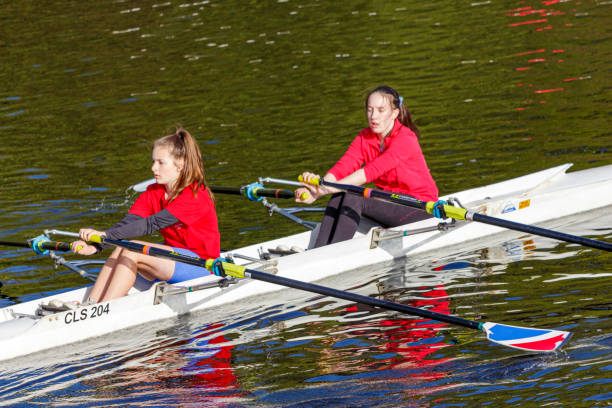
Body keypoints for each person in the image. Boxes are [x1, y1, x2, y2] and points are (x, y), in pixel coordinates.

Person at [71, 128, 220, 303]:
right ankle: (91, 305)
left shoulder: (195, 195)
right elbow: (131, 221)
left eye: (160, 162)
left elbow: (150, 224)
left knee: (132, 250)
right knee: (122, 247)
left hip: (202, 265)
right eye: (153, 161)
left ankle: (105, 308)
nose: (153, 168)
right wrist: (97, 245)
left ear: (180, 164)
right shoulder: (155, 192)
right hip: (174, 261)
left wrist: (107, 235)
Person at [296, 85, 438, 247]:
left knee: (352, 196)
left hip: (420, 207)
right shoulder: (365, 137)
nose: (373, 116)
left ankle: (333, 254)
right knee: (340, 195)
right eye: (369, 110)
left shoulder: (406, 139)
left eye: (380, 110)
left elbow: (370, 172)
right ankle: (319, 252)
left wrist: (324, 189)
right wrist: (318, 188)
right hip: (392, 202)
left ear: (394, 113)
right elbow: (343, 167)